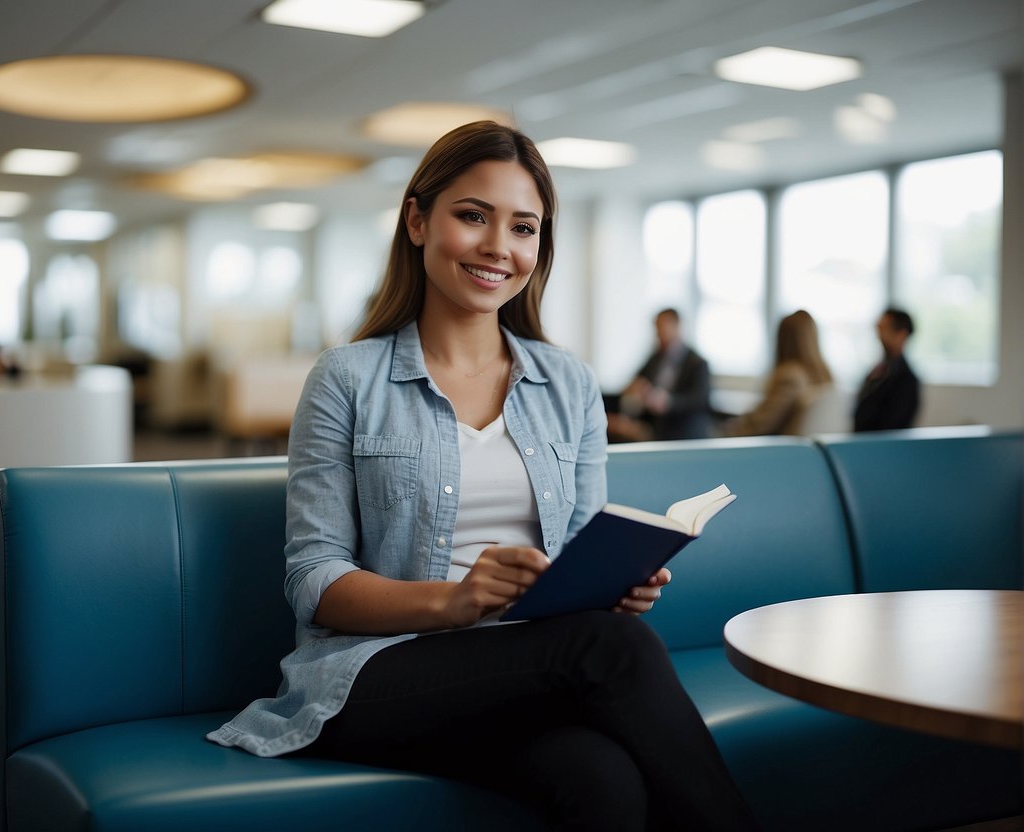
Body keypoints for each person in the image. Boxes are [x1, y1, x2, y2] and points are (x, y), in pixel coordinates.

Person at [209, 121, 759, 831]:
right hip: (376, 677)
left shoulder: (569, 384)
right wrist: (454, 602)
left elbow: (574, 551)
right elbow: (313, 579)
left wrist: (610, 583)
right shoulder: (345, 378)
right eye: (472, 216)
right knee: (608, 649)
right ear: (417, 219)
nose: (499, 246)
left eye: (523, 228)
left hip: (527, 667)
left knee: (602, 781)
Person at [724, 309, 833, 436]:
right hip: (812, 452)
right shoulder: (825, 377)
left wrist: (729, 431)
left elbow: (762, 423)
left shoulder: (789, 376)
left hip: (777, 448)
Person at [608, 308, 712, 441]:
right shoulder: (655, 358)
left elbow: (700, 401)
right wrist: (637, 389)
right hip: (654, 425)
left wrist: (668, 403)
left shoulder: (697, 363)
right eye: (656, 328)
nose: (658, 333)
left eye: (662, 327)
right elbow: (635, 382)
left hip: (683, 430)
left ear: (676, 326)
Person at [853, 308, 920, 431]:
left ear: (901, 334)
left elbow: (893, 426)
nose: (879, 335)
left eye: (883, 329)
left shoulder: (906, 380)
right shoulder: (878, 372)